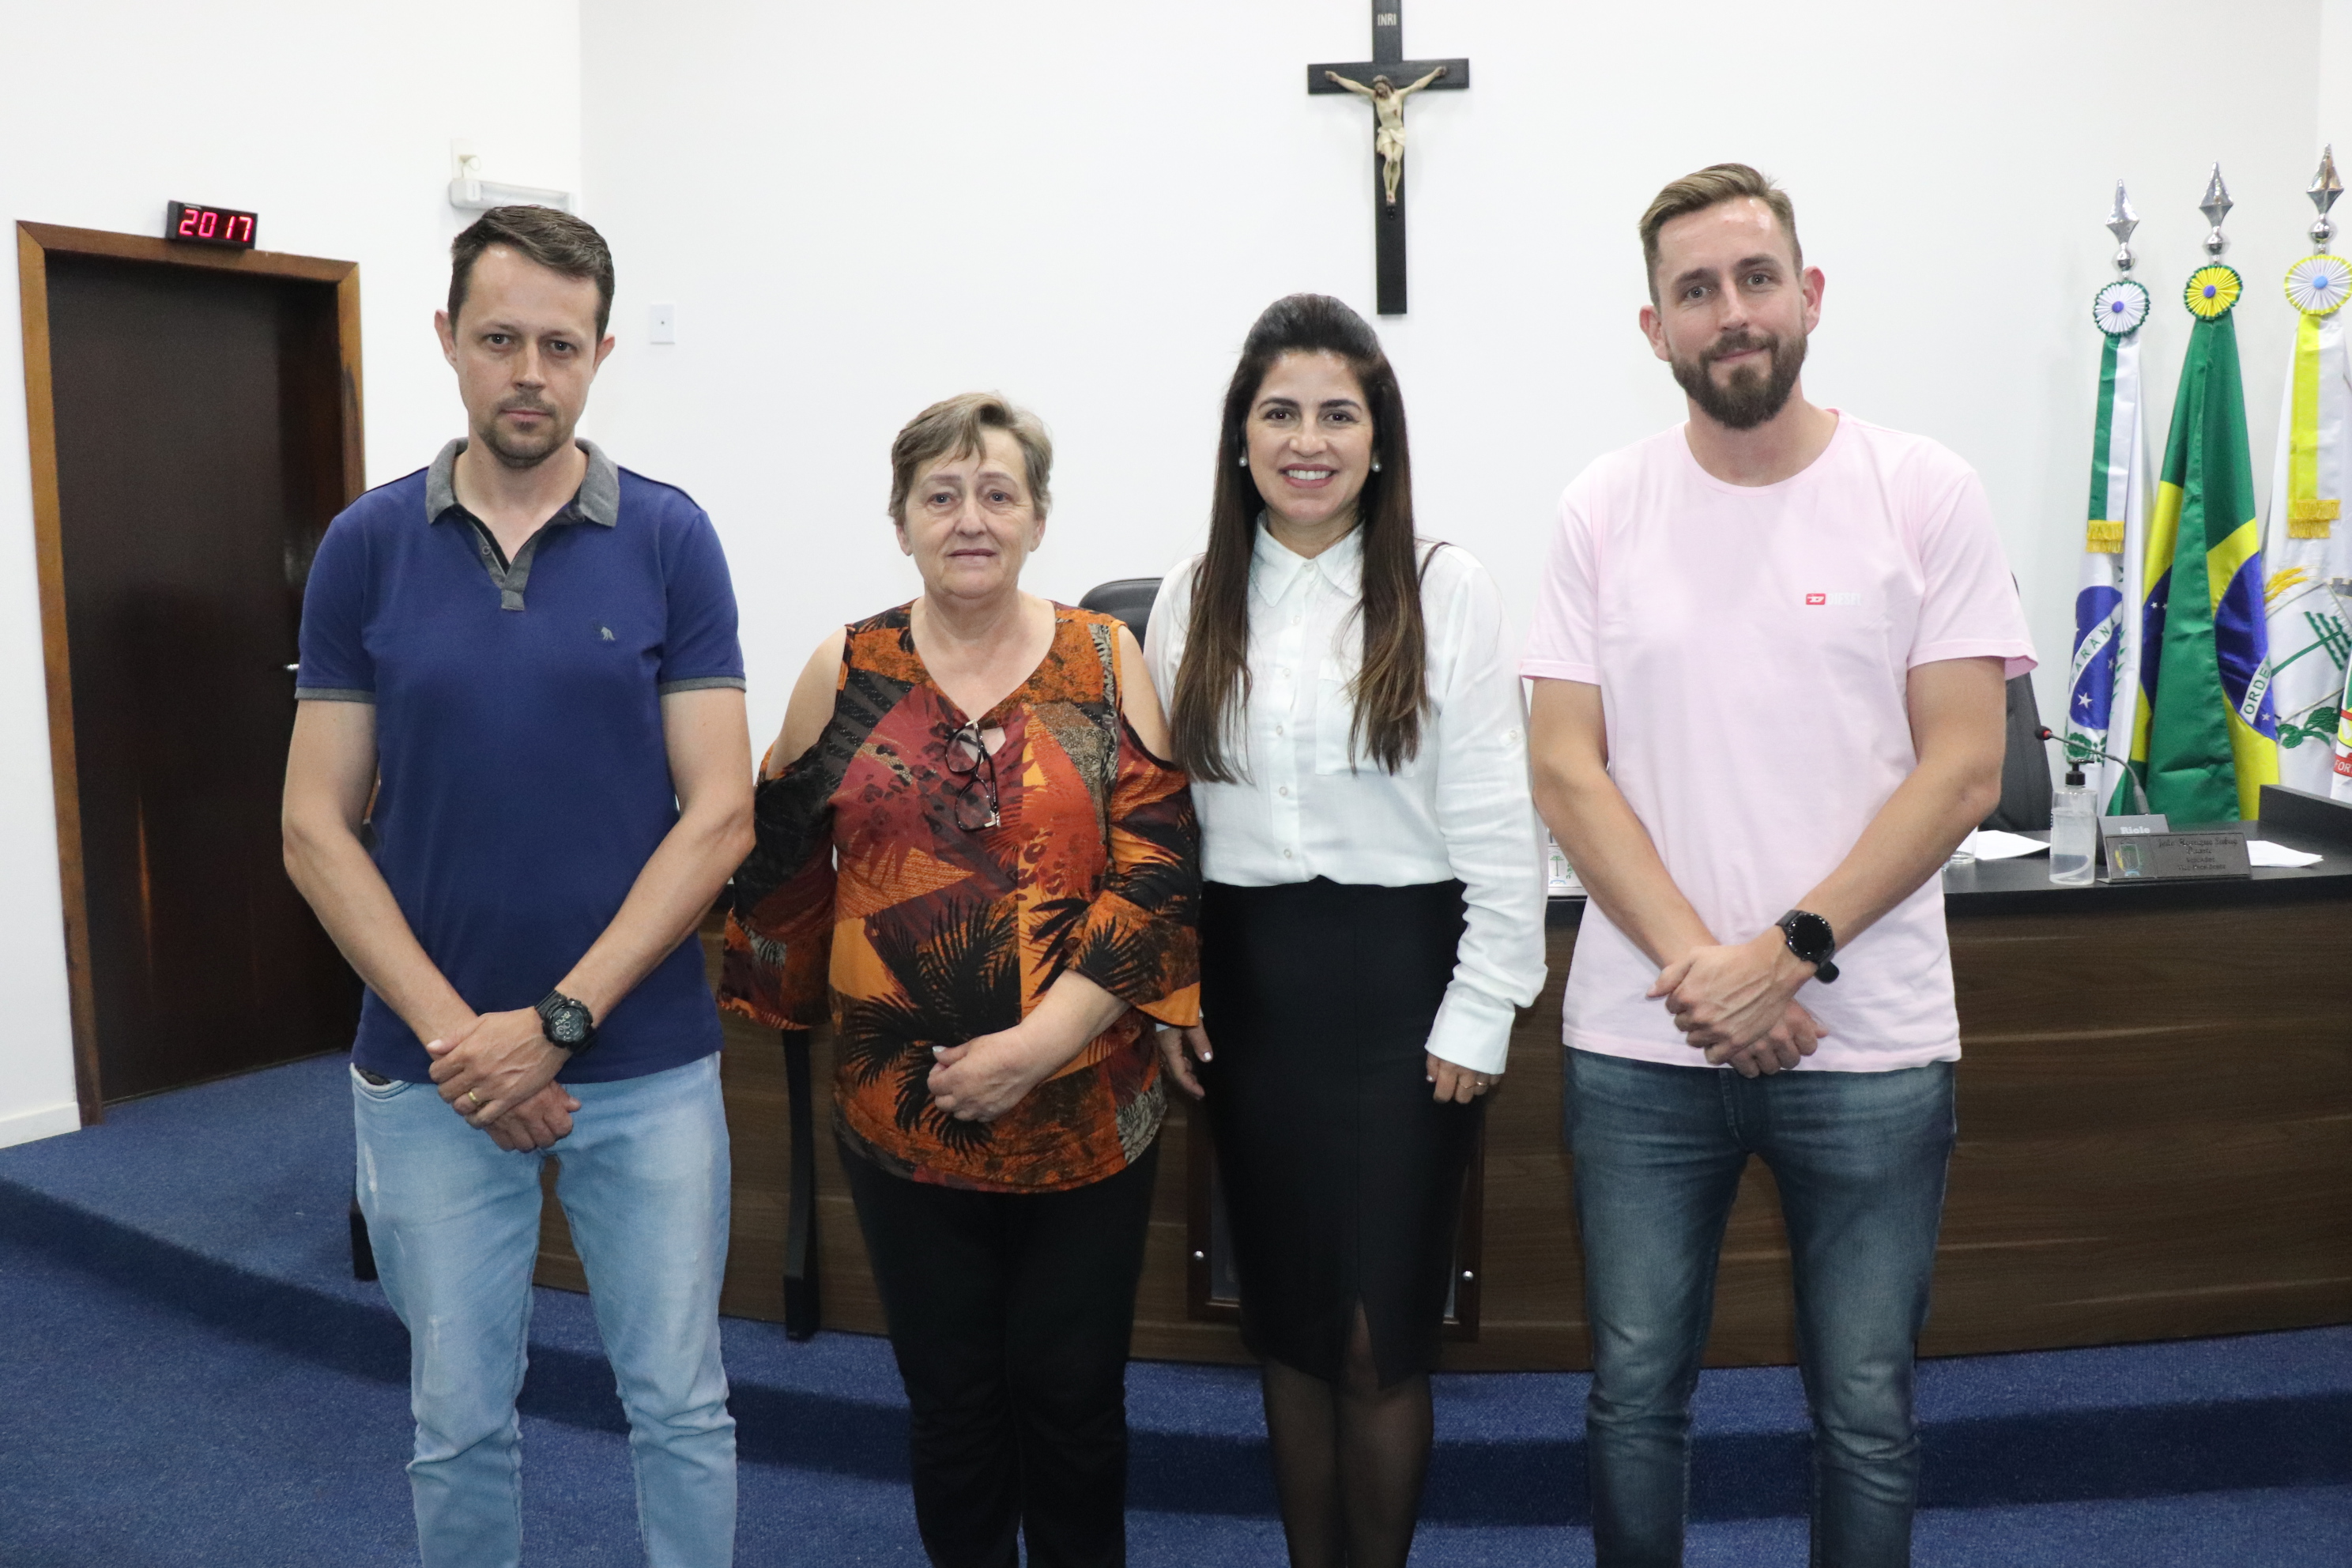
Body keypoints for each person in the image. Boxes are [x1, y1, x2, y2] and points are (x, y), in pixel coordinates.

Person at [1521, 164, 2034, 1566]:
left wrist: (1787, 955)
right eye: (1695, 291)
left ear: (1808, 295)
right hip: (1645, 1043)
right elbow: (1566, 769)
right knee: (1635, 1396)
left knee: (1865, 1408)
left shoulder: (1923, 491)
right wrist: (1717, 974)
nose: (1731, 312)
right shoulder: (1602, 507)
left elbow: (1964, 768)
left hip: (1870, 1047)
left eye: (1756, 279)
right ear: (1655, 329)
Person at [281, 205, 753, 1568]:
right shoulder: (366, 545)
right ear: (448, 340)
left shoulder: (670, 539)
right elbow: (314, 827)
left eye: (560, 344)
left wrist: (553, 1025)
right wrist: (466, 1044)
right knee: (456, 1421)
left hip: (641, 1065)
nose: (529, 372)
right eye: (499, 340)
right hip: (429, 1079)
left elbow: (719, 815)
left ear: (601, 353)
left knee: (680, 1407)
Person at [719, 393, 1200, 1568]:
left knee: (1074, 1403)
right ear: (901, 522)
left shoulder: (1106, 660)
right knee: (951, 1404)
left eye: (997, 493)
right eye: (941, 495)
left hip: (1084, 1109)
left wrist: (1036, 1047)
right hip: (903, 1118)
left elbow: (1158, 872)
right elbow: (781, 867)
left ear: (1038, 517)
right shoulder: (846, 667)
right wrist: (785, 993)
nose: (970, 519)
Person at [1147, 293, 1547, 1568]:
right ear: (1241, 437)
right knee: (1288, 1324)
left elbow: (1498, 816)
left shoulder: (1443, 587)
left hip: (1404, 995)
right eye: (1280, 414)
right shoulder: (1193, 596)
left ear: (1380, 440)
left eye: (1338, 414)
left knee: (1378, 1335)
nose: (1307, 441)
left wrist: (1484, 1004)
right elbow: (1167, 826)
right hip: (1251, 997)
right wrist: (1171, 989)